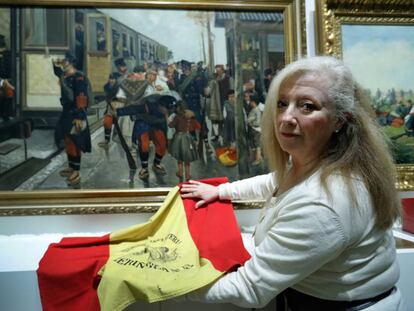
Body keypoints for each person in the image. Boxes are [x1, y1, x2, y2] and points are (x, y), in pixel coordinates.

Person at [180, 56, 404, 310]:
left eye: (307, 106)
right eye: (282, 103)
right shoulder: (320, 164)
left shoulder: (324, 204)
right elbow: (274, 181)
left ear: (340, 120)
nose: (286, 117)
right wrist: (221, 191)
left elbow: (249, 288)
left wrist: (162, 285)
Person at [54, 52, 92, 186]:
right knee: (68, 141)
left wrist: (79, 117)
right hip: (67, 113)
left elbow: (81, 97)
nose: (62, 64)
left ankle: (76, 171)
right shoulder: (65, 75)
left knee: (76, 142)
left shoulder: (78, 77)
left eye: (64, 61)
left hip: (75, 114)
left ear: (70, 62)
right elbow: (57, 71)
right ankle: (71, 167)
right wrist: (55, 63)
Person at [99, 58, 128, 149]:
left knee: (123, 125)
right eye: (119, 66)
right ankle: (107, 140)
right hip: (113, 104)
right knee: (107, 121)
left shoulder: (127, 77)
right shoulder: (113, 78)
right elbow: (108, 92)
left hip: (124, 104)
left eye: (122, 66)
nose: (121, 68)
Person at [168, 101, 201, 181]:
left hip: (178, 137)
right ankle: (188, 174)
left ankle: (180, 172)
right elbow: (198, 126)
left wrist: (167, 119)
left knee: (179, 157)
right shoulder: (190, 117)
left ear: (178, 108)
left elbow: (171, 125)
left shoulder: (178, 117)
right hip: (188, 137)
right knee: (187, 157)